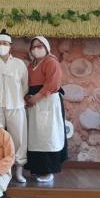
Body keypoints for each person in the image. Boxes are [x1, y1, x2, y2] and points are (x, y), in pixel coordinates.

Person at [0, 30, 29, 183]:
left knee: (18, 138)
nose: (1, 46)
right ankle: (0, 170)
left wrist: (16, 97)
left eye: (4, 43)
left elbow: (24, 85)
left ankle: (19, 170)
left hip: (15, 105)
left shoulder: (19, 64)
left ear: (10, 45)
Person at [25, 36, 68, 186]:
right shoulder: (31, 66)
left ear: (46, 47)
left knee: (48, 135)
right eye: (33, 46)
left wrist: (37, 97)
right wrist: (27, 97)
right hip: (34, 105)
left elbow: (53, 83)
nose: (36, 49)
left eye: (39, 46)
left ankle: (48, 170)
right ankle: (38, 168)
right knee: (36, 136)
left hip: (48, 102)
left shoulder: (51, 62)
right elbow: (27, 84)